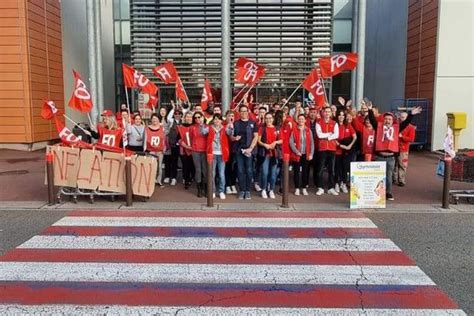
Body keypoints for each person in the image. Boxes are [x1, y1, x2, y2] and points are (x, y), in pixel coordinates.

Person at [367, 103, 422, 201]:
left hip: (390, 157)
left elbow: (405, 124)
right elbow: (372, 120)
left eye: (389, 119)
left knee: (388, 176)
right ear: (383, 120)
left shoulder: (396, 129)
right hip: (379, 156)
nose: (387, 121)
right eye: (386, 119)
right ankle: (376, 193)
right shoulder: (378, 127)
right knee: (378, 176)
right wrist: (370, 110)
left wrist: (411, 114)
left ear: (393, 121)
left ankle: (388, 193)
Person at [227, 105, 258, 199]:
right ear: (239, 112)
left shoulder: (253, 123)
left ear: (248, 112)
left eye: (245, 111)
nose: (243, 113)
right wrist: (234, 138)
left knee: (249, 170)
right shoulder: (236, 123)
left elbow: (255, 136)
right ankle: (242, 190)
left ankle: (248, 190)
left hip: (249, 150)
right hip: (238, 150)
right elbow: (231, 136)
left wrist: (251, 148)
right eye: (242, 111)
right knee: (240, 170)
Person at [201, 114, 230, 199]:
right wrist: (203, 123)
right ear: (213, 120)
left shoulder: (224, 128)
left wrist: (230, 124)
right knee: (212, 174)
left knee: (221, 174)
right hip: (212, 153)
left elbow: (231, 132)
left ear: (221, 120)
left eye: (219, 119)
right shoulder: (209, 128)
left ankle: (221, 191)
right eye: (215, 119)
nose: (217, 121)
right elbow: (203, 132)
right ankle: (212, 191)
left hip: (222, 153)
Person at [257, 112, 282, 199]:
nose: (268, 120)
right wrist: (265, 145)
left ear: (273, 118)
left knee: (273, 174)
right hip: (265, 153)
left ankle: (271, 189)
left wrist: (275, 142)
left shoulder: (277, 128)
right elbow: (258, 140)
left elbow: (281, 140)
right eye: (266, 118)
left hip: (274, 154)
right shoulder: (262, 128)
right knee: (264, 172)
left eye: (270, 118)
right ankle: (263, 189)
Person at [315, 106, 339, 196]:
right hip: (322, 148)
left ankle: (331, 187)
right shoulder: (319, 122)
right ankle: (320, 187)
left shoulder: (334, 123)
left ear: (331, 113)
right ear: (323, 113)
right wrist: (330, 134)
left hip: (332, 149)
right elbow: (319, 135)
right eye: (325, 112)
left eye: (329, 112)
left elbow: (336, 135)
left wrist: (327, 137)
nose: (327, 113)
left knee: (331, 170)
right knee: (320, 169)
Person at [290, 114, 314, 196]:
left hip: (306, 154)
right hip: (297, 154)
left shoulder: (308, 130)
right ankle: (297, 188)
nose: (301, 120)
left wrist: (311, 154)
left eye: (302, 119)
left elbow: (312, 143)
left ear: (305, 120)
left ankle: (304, 188)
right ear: (298, 120)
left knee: (305, 172)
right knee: (296, 172)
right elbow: (291, 142)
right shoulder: (294, 130)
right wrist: (296, 151)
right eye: (299, 119)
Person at [334, 110, 357, 194]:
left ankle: (343, 183)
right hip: (337, 150)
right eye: (339, 115)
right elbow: (332, 137)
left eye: (343, 115)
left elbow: (355, 137)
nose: (341, 117)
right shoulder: (334, 125)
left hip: (346, 151)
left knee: (345, 168)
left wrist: (349, 146)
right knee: (337, 168)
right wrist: (339, 145)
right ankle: (336, 183)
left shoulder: (348, 125)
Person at [393, 112, 416, 186]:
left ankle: (401, 180)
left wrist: (402, 137)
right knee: (394, 164)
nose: (401, 118)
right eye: (400, 117)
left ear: (407, 118)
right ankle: (394, 178)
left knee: (402, 165)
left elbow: (411, 139)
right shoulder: (397, 125)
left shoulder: (411, 127)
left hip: (403, 149)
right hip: (395, 148)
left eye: (403, 117)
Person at [190, 111, 208, 197]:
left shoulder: (207, 127)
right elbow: (190, 138)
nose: (197, 119)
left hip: (205, 151)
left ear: (202, 117)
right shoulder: (192, 127)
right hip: (195, 151)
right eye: (195, 117)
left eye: (199, 117)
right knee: (198, 170)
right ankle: (199, 188)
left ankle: (205, 188)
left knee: (205, 170)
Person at [144, 113, 166, 186]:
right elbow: (145, 139)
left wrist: (163, 148)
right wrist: (145, 149)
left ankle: (159, 180)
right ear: (151, 119)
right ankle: (151, 180)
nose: (154, 120)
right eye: (153, 118)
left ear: (158, 119)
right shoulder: (147, 128)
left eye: (156, 118)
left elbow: (164, 139)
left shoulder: (162, 128)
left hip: (159, 150)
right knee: (151, 165)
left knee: (159, 166)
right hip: (150, 150)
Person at [178, 112, 195, 190]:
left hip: (194, 150)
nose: (189, 118)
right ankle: (186, 180)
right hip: (184, 150)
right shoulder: (180, 127)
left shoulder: (195, 127)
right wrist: (186, 146)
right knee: (185, 166)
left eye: (190, 117)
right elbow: (178, 139)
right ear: (184, 118)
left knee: (193, 166)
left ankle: (192, 178)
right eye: (187, 117)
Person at [224, 110, 238, 194]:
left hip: (235, 149)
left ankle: (233, 184)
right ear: (226, 117)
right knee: (227, 168)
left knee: (235, 168)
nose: (231, 117)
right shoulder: (223, 125)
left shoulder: (236, 125)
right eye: (229, 116)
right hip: (226, 149)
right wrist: (228, 126)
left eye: (232, 115)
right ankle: (227, 185)